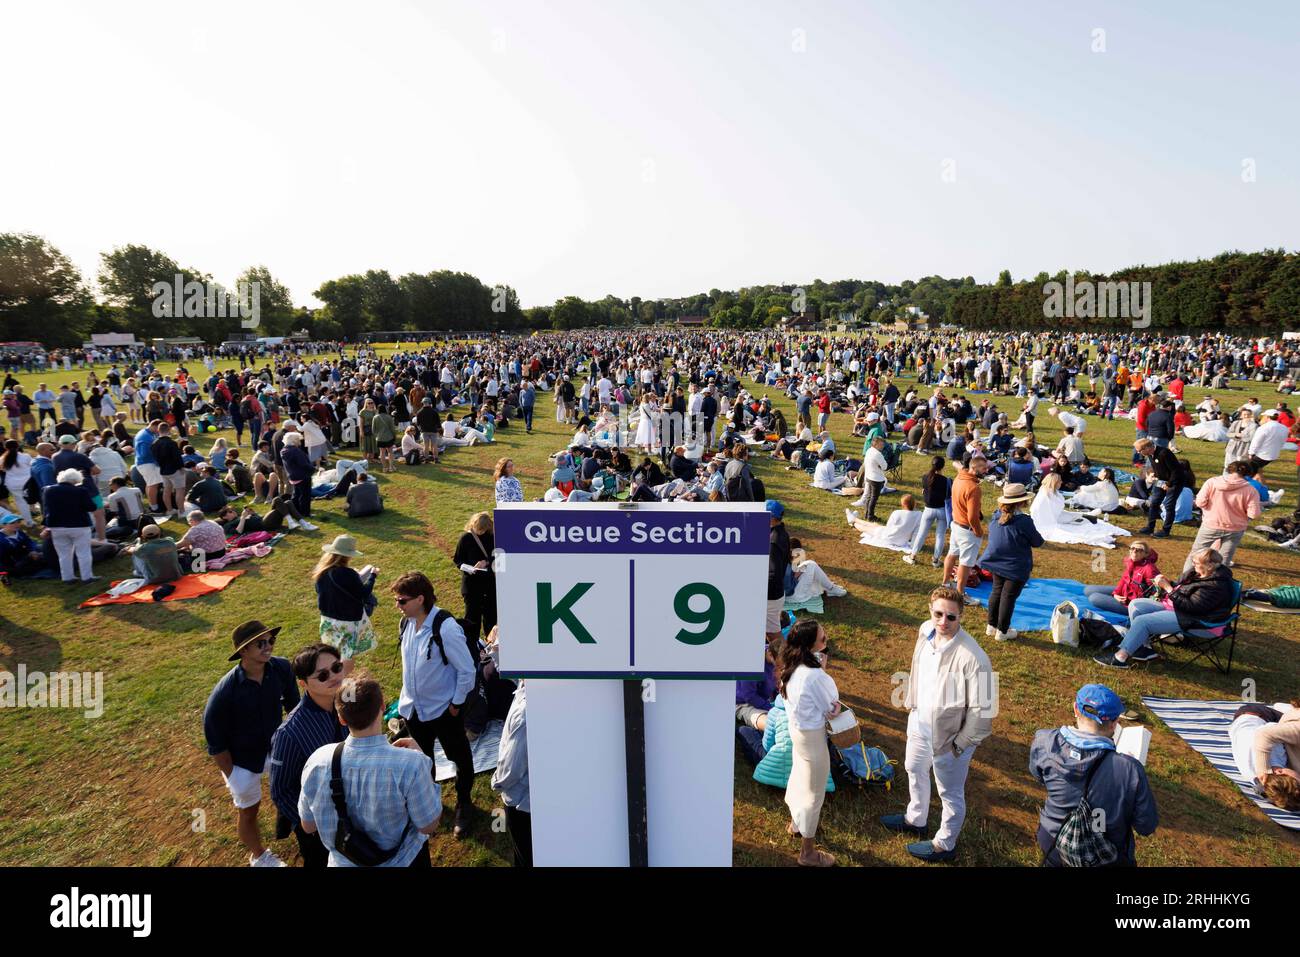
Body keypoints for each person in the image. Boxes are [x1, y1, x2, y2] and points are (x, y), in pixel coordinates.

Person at [881, 585, 993, 862]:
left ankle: (945, 844)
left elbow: (985, 712)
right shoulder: (925, 630)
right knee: (913, 768)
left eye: (951, 617)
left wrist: (959, 745)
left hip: (951, 738)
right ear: (930, 611)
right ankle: (915, 818)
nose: (943, 622)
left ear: (961, 616)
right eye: (938, 614)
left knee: (950, 793)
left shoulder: (976, 658)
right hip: (919, 722)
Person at [297, 674, 442, 867]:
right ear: (382, 707)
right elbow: (428, 825)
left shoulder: (317, 761)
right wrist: (424, 764)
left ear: (341, 718)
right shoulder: (412, 765)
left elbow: (308, 826)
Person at [202, 620, 300, 866]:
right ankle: (259, 857)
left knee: (298, 788)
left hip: (275, 747)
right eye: (260, 643)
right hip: (242, 760)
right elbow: (215, 742)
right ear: (243, 651)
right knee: (249, 810)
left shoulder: (282, 668)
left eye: (271, 641)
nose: (268, 647)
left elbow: (294, 708)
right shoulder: (226, 692)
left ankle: (298, 829)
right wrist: (232, 774)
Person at [391, 571, 479, 838]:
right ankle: (428, 803)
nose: (398, 605)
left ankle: (464, 803)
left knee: (459, 757)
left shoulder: (446, 627)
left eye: (402, 600)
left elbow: (466, 670)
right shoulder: (406, 623)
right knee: (422, 759)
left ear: (420, 599)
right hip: (414, 709)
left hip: (443, 709)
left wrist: (456, 704)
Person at [1030, 684, 1159, 866]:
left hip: (1053, 841)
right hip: (1103, 855)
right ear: (1115, 723)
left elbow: (1039, 776)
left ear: (1075, 709)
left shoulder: (1043, 741)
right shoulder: (1130, 769)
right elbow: (1146, 825)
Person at [267, 643, 355, 867]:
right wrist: (311, 824)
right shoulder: (290, 733)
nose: (334, 677)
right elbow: (281, 790)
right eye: (322, 675)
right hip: (318, 827)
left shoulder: (350, 702)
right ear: (303, 684)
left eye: (336, 668)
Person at [1094, 548, 1237, 669]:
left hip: (1197, 620)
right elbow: (1186, 590)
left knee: (1143, 621)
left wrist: (1168, 588)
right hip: (1178, 608)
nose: (1193, 565)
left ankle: (1120, 658)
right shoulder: (1201, 574)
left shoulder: (1215, 586)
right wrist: (1169, 583)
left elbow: (1191, 607)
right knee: (1136, 604)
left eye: (1196, 563)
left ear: (1210, 566)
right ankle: (1143, 648)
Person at [778, 619, 839, 867]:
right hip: (813, 739)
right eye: (823, 640)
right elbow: (832, 708)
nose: (826, 642)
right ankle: (808, 853)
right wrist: (823, 671)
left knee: (798, 777)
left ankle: (795, 823)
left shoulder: (789, 667)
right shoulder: (815, 676)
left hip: (797, 733)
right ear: (810, 646)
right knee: (815, 794)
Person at [977, 483, 1044, 642]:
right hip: (1016, 566)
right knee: (1008, 597)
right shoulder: (1024, 521)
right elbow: (1037, 542)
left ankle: (991, 626)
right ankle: (1002, 630)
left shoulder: (995, 516)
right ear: (1022, 502)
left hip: (996, 562)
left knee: (997, 591)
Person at [1182, 460, 1262, 573]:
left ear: (1229, 469)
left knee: (1196, 554)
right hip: (1235, 528)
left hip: (1211, 524)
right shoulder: (1251, 490)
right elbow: (1254, 514)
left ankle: (1184, 580)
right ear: (1247, 473)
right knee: (1224, 560)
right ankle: (1217, 584)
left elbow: (1199, 502)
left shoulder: (1212, 482)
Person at [313, 535, 378, 659]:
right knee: (347, 656)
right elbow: (364, 593)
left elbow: (319, 591)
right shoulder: (349, 574)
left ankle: (333, 673)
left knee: (333, 654)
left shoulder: (321, 572)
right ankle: (340, 676)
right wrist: (373, 576)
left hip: (328, 620)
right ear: (347, 555)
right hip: (348, 621)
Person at [1229, 701, 1300, 812]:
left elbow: (1267, 732)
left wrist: (1264, 768)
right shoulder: (1257, 779)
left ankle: (1289, 709)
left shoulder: (1274, 755)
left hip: (1256, 714)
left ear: (1281, 772)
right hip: (1242, 723)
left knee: (1288, 721)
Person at [489, 680, 532, 867]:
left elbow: (511, 768)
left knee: (525, 855)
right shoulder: (528, 688)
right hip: (528, 796)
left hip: (520, 800)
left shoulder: (526, 713)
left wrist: (497, 781)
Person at [941, 456, 988, 606]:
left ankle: (945, 583)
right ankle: (960, 594)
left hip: (956, 524)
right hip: (967, 530)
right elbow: (973, 516)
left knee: (951, 554)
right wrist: (978, 531)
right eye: (983, 468)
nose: (986, 471)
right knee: (966, 563)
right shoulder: (973, 488)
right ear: (973, 469)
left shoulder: (959, 479)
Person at [41, 467, 98, 583]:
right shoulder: (81, 491)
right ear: (75, 479)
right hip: (79, 525)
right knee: (83, 553)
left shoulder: (48, 490)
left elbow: (46, 509)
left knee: (63, 554)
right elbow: (91, 507)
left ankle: (67, 577)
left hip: (57, 526)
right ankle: (87, 577)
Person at [1084, 541, 1161, 615]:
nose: (1134, 551)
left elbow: (1157, 593)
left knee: (1094, 598)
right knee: (1088, 589)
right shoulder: (1130, 562)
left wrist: (1134, 606)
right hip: (1125, 592)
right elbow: (1124, 580)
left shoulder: (1149, 569)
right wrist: (1115, 594)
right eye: (1132, 548)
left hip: (1131, 604)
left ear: (1146, 554)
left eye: (1139, 550)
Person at [454, 511, 497, 642]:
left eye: (483, 529)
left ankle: (491, 647)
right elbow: (458, 560)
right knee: (472, 619)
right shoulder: (465, 539)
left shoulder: (492, 537)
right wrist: (468, 568)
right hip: (471, 586)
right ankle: (472, 646)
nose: (480, 532)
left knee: (491, 618)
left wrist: (487, 562)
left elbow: (498, 555)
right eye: (478, 529)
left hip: (489, 584)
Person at [905, 456, 951, 567]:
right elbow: (948, 496)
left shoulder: (925, 477)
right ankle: (935, 560)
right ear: (942, 466)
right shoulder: (947, 481)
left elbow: (925, 490)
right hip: (941, 511)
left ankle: (912, 556)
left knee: (921, 534)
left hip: (928, 510)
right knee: (940, 536)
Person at [766, 499, 791, 641]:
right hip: (777, 593)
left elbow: (773, 574)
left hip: (771, 596)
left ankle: (786, 660)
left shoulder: (773, 541)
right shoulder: (782, 533)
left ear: (772, 519)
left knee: (773, 635)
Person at [851, 434, 889, 521]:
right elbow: (885, 467)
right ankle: (870, 516)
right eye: (881, 444)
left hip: (869, 476)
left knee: (869, 497)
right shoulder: (878, 454)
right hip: (876, 478)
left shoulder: (869, 450)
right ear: (875, 444)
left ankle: (867, 514)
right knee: (873, 498)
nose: (883, 446)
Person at [281, 431, 314, 519]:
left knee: (296, 495)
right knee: (305, 495)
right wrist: (312, 468)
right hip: (303, 476)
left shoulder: (284, 451)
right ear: (294, 441)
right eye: (298, 440)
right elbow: (304, 464)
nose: (300, 442)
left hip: (293, 476)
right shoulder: (296, 451)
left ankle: (295, 511)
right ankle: (305, 513)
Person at [1, 439, 34, 526]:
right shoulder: (25, 456)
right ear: (18, 446)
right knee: (31, 500)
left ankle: (29, 522)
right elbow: (33, 466)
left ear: (5, 447)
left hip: (12, 484)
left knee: (21, 502)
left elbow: (3, 469)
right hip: (27, 483)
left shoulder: (2, 458)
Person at [1248, 408, 1288, 475]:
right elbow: (1283, 442)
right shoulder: (1284, 427)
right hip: (1273, 454)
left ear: (1267, 417)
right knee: (1257, 470)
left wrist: (1251, 453)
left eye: (1264, 416)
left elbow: (1256, 442)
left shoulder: (1264, 427)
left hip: (1261, 455)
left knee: (1248, 472)